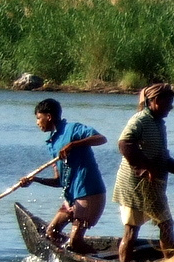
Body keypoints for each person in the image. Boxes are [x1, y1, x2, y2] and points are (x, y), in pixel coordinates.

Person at [112, 83, 174, 262]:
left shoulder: (159, 123)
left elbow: (162, 158)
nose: (171, 107)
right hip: (134, 185)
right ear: (155, 101)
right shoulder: (140, 120)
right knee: (132, 229)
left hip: (153, 186)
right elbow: (124, 144)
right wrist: (142, 168)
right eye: (168, 103)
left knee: (166, 224)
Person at [20, 98, 108, 251]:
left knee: (75, 242)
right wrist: (34, 179)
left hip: (89, 193)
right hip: (72, 198)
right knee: (51, 233)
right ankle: (71, 253)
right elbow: (59, 181)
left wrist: (73, 144)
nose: (37, 123)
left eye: (39, 118)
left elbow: (101, 139)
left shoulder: (73, 129)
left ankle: (87, 253)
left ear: (49, 117)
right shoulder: (52, 143)